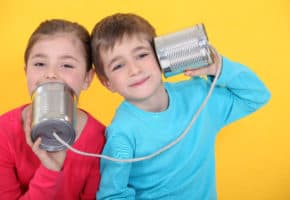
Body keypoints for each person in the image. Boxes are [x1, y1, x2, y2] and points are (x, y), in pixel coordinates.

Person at [91, 13, 271, 200]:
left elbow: (256, 96)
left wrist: (218, 68)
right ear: (107, 83)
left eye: (142, 55)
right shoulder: (122, 133)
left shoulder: (198, 95)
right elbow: (112, 195)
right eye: (118, 65)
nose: (135, 70)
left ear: (160, 56)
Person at [0, 19, 106, 199]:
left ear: (88, 78)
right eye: (40, 64)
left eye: (66, 65)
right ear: (26, 72)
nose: (51, 74)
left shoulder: (100, 139)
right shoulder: (3, 132)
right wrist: (50, 170)